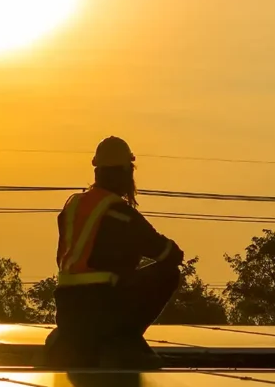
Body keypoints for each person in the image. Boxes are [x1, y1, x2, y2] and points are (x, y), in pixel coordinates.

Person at [40, 136, 184, 369]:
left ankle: (78, 338)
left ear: (97, 171)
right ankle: (126, 338)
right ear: (126, 172)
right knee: (169, 273)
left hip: (67, 311)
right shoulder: (120, 214)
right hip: (104, 311)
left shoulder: (72, 206)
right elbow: (167, 253)